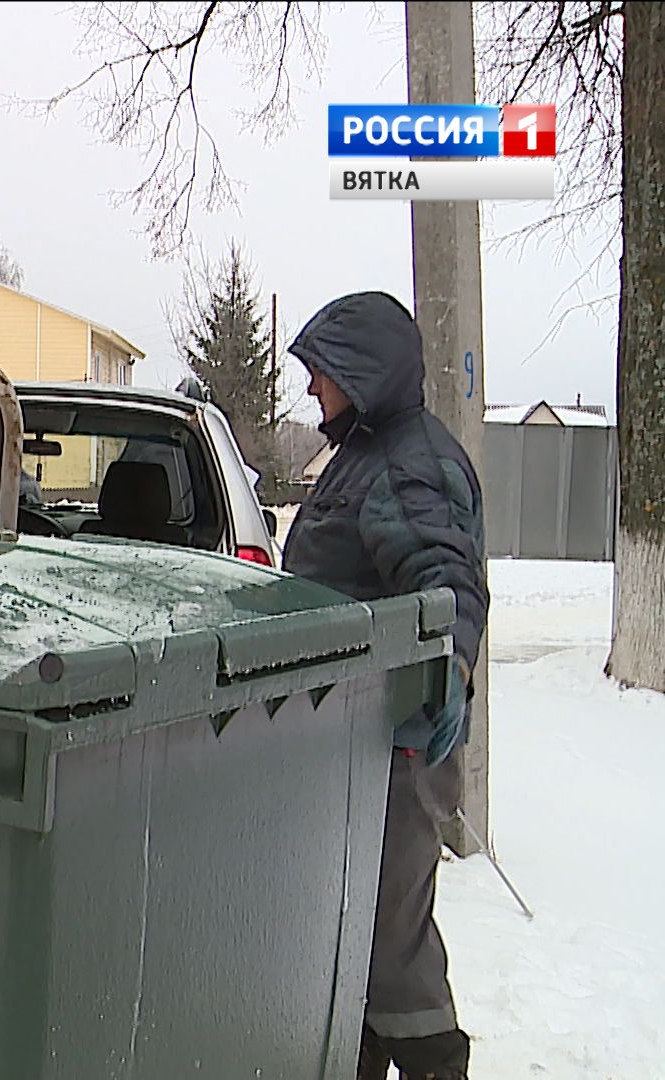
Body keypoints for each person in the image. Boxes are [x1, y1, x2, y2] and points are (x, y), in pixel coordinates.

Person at [282, 291, 489, 1080]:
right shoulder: (372, 451)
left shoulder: (409, 462)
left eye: (321, 374)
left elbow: (448, 582)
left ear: (361, 374)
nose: (312, 391)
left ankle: (436, 1066)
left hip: (399, 741)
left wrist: (451, 672)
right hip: (360, 744)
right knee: (354, 940)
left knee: (386, 949)